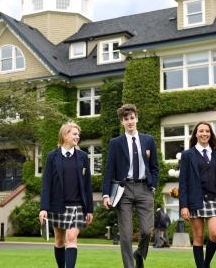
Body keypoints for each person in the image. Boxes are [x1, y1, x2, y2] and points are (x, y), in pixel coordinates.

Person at [103, 104, 159, 268]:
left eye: (132, 118)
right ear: (122, 122)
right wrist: (106, 194)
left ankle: (139, 254)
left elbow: (154, 167)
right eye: (126, 119)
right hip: (123, 190)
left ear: (137, 118)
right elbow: (109, 170)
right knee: (126, 235)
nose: (129, 122)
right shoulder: (115, 143)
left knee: (147, 231)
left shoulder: (148, 140)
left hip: (145, 189)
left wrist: (153, 185)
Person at [39, 122, 94, 268]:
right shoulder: (52, 156)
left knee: (71, 238)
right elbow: (46, 184)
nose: (78, 137)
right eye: (74, 134)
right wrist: (43, 208)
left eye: (78, 134)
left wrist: (89, 209)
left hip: (77, 206)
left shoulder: (83, 157)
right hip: (57, 205)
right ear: (65, 135)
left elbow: (88, 184)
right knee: (59, 240)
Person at [179, 122, 216, 268]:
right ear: (196, 134)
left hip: (214, 200)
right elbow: (183, 182)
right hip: (195, 199)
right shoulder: (187, 155)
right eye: (201, 131)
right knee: (198, 237)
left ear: (210, 134)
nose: (204, 133)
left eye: (207, 131)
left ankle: (206, 264)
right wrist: (184, 206)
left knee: (215, 234)